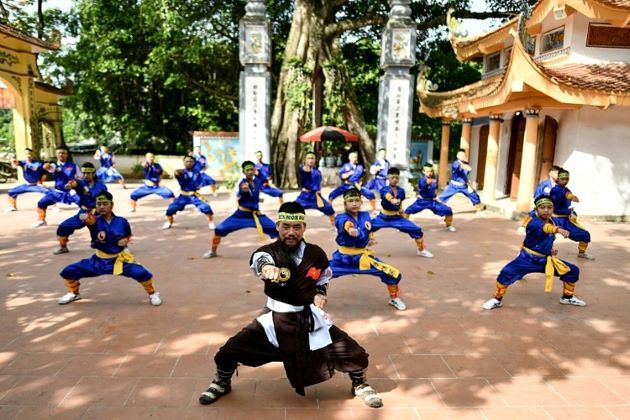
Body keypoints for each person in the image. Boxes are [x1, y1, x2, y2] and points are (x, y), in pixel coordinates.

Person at [198, 202, 383, 408]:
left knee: (353, 351)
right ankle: (222, 382)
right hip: (274, 318)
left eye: (296, 227)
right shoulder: (268, 252)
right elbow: (260, 260)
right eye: (285, 226)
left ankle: (359, 384)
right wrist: (267, 267)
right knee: (229, 350)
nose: (291, 232)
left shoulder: (316, 254)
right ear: (277, 226)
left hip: (308, 318)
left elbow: (322, 279)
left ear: (304, 227)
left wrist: (320, 294)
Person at [57, 191, 162, 306]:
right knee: (69, 271)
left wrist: (125, 241)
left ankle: (152, 293)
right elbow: (87, 221)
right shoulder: (93, 220)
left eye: (105, 203)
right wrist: (83, 219)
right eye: (99, 204)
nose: (101, 207)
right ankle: (74, 293)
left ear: (111, 204)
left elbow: (128, 236)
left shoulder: (122, 222)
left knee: (142, 273)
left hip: (119, 260)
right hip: (99, 260)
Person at [482, 194, 585, 310]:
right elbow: (545, 228)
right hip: (527, 259)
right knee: (505, 273)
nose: (546, 210)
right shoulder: (533, 222)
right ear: (536, 209)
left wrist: (550, 250)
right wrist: (558, 230)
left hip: (545, 260)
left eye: (549, 207)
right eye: (542, 207)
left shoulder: (553, 221)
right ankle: (497, 299)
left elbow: (545, 239)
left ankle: (567, 297)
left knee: (572, 271)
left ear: (553, 208)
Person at [329, 188, 406, 310]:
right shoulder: (341, 217)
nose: (354, 203)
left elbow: (368, 228)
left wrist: (370, 239)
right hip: (343, 259)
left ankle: (394, 298)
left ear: (361, 202)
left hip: (363, 259)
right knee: (318, 275)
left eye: (357, 200)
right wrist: (350, 229)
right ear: (345, 204)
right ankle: (313, 300)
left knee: (392, 274)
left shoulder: (365, 215)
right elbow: (345, 224)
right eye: (351, 201)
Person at [203, 161, 278, 258]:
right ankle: (213, 251)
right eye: (248, 170)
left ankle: (283, 251)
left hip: (256, 215)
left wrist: (259, 198)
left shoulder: (257, 182)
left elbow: (258, 191)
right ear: (244, 172)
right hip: (240, 215)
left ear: (254, 170)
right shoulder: (243, 184)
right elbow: (243, 191)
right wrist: (244, 190)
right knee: (219, 229)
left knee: (276, 229)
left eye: (252, 169)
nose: (250, 172)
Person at [371, 167, 434, 258]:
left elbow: (400, 202)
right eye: (392, 178)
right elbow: (387, 196)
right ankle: (358, 248)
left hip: (397, 218)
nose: (394, 180)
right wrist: (392, 200)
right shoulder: (384, 189)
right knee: (366, 228)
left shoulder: (401, 191)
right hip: (383, 217)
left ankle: (421, 250)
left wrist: (400, 209)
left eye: (396, 178)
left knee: (416, 229)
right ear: (388, 178)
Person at [54, 162, 108, 255]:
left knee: (106, 231)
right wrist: (70, 185)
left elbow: (106, 201)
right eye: (84, 173)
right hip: (83, 213)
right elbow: (73, 183)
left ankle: (116, 248)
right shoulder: (80, 183)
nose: (85, 175)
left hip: (97, 214)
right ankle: (63, 247)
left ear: (93, 174)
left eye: (88, 173)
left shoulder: (101, 186)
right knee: (64, 226)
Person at [550, 168, 594, 260]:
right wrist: (571, 197)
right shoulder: (555, 190)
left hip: (566, 220)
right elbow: (564, 194)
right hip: (554, 219)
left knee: (585, 234)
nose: (565, 181)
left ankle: (582, 253)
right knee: (546, 236)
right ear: (557, 179)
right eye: (563, 179)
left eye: (567, 179)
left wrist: (569, 208)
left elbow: (567, 192)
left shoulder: (565, 189)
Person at [163, 155, 215, 230]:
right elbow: (177, 174)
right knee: (170, 209)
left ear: (193, 163)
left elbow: (203, 180)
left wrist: (199, 185)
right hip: (183, 196)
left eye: (191, 161)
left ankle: (211, 222)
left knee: (206, 207)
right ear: (183, 163)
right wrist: (176, 173)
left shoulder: (197, 172)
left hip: (194, 196)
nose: (189, 163)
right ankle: (169, 222)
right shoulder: (181, 172)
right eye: (187, 161)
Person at [34, 147, 80, 227]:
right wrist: (45, 166)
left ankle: (93, 220)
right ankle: (41, 220)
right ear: (56, 154)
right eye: (59, 153)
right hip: (57, 192)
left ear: (67, 155)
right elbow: (49, 168)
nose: (61, 154)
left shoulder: (73, 166)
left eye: (63, 153)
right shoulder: (54, 165)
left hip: (71, 192)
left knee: (85, 203)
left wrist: (75, 183)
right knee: (41, 203)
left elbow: (80, 177)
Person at [404, 163, 456, 232]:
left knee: (448, 210)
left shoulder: (434, 180)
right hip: (421, 201)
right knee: (407, 211)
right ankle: (404, 225)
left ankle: (449, 225)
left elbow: (435, 189)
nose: (429, 173)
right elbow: (422, 188)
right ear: (424, 172)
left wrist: (435, 195)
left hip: (432, 202)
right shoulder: (422, 180)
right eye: (427, 171)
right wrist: (426, 184)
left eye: (431, 171)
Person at [518, 165, 562, 233]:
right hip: (542, 204)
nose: (557, 175)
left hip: (552, 207)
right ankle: (524, 226)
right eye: (556, 173)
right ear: (550, 173)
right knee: (534, 214)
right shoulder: (544, 184)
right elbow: (537, 194)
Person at [295, 151, 335, 224]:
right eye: (309, 158)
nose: (310, 160)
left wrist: (319, 190)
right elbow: (304, 171)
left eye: (312, 158)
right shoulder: (302, 170)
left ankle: (335, 226)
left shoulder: (317, 171)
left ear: (315, 160)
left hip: (316, 197)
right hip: (305, 197)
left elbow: (319, 182)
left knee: (330, 210)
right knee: (291, 210)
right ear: (305, 160)